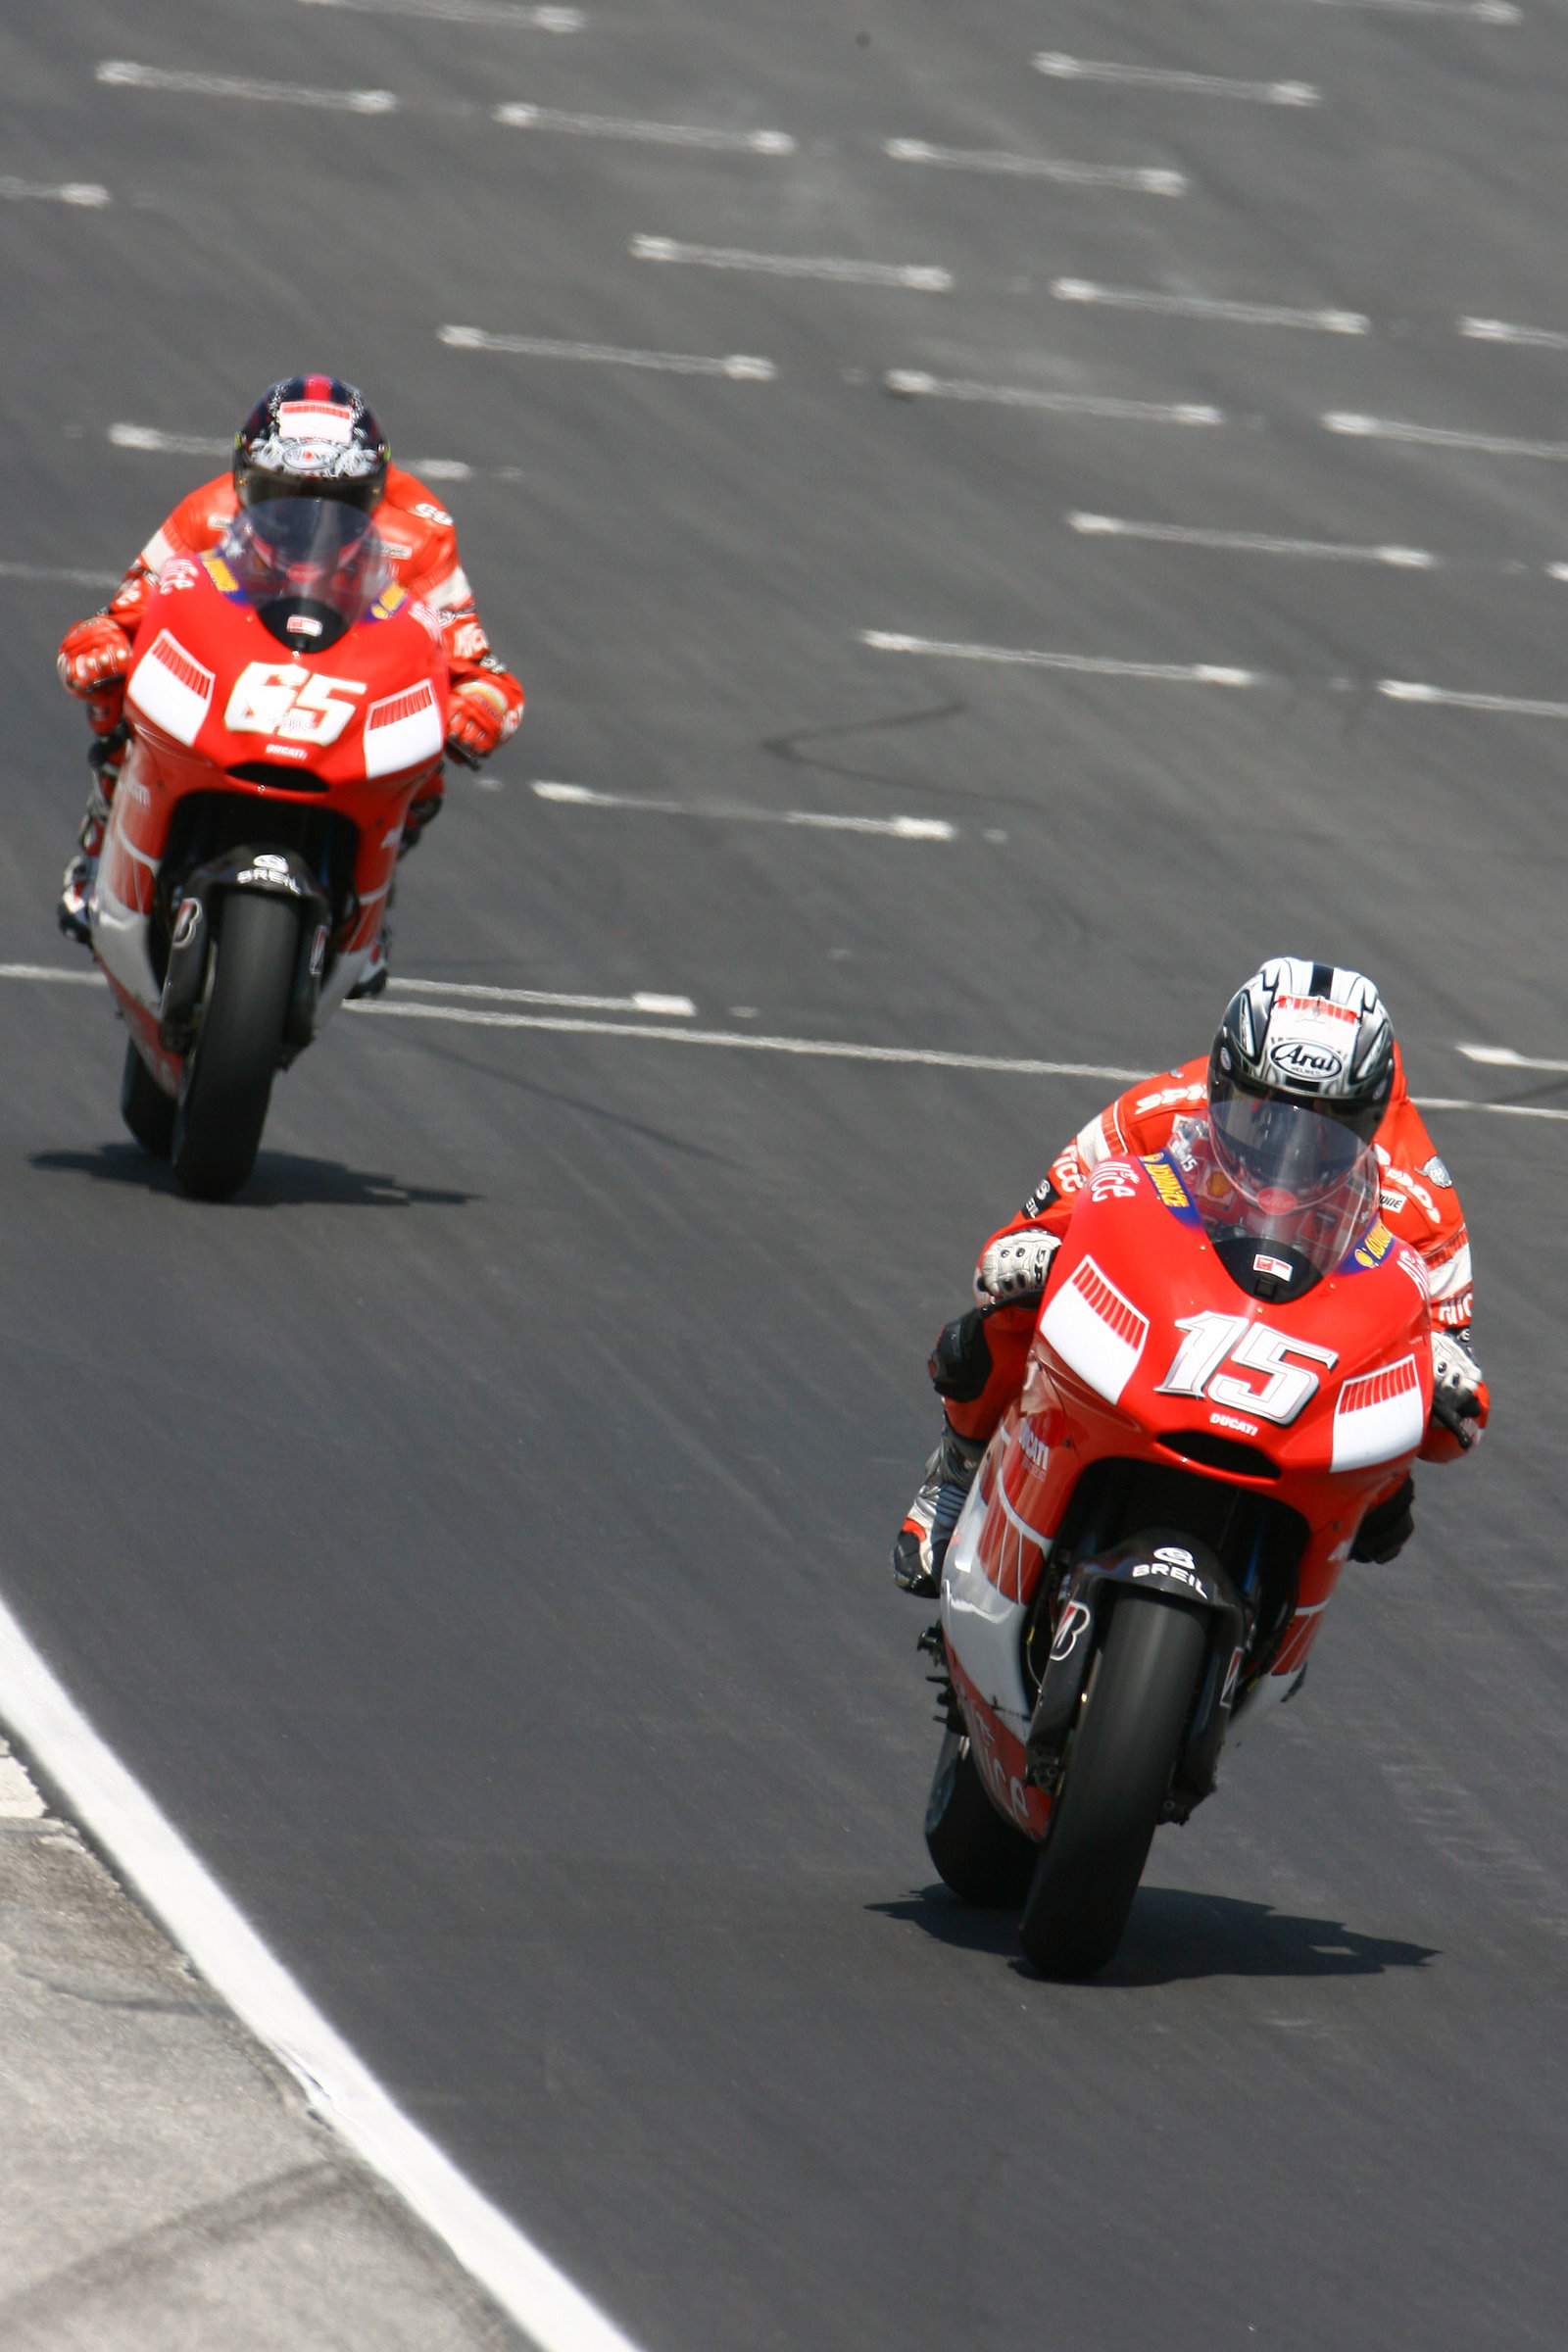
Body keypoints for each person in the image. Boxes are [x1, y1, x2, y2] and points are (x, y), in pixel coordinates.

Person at [893, 959, 1490, 1597]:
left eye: (1325, 1130)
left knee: (1386, 1512)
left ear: (1367, 1121)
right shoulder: (1159, 1108)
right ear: (1223, 1079)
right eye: (1262, 1112)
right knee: (1000, 1316)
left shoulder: (1422, 1196)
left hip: (1309, 1366)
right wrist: (1034, 1251)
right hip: (1174, 1307)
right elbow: (1028, 1232)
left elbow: (1450, 1386)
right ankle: (957, 1470)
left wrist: (1446, 1373)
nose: (1286, 1148)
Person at [54, 375, 524, 985]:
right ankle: (97, 852)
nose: (308, 527)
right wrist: (96, 646)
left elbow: (477, 667)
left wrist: (481, 708)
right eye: (282, 498)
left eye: (340, 504)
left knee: (427, 756)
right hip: (233, 665)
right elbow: (121, 616)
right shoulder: (206, 511)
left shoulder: (420, 534)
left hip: (347, 679)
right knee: (117, 691)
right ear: (246, 482)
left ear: (374, 495)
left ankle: (374, 904)